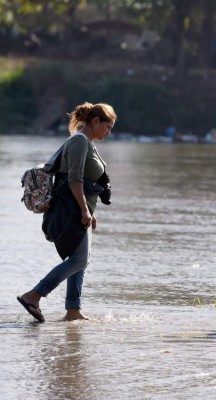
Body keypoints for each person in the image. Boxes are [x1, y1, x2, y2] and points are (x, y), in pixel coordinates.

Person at [17, 102, 116, 322]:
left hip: (81, 208)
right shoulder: (79, 141)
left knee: (80, 259)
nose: (109, 132)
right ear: (95, 121)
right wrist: (83, 209)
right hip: (71, 209)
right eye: (107, 127)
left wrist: (90, 211)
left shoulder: (87, 142)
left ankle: (73, 311)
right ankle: (33, 295)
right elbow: (75, 179)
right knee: (79, 260)